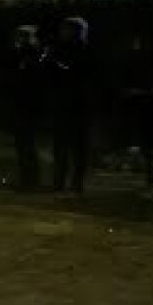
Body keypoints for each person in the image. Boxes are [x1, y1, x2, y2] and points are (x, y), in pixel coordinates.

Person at [45, 17, 95, 194]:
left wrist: (55, 63)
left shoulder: (85, 51)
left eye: (67, 30)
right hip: (63, 104)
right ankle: (59, 181)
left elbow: (76, 72)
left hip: (79, 105)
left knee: (78, 147)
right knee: (61, 146)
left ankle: (76, 182)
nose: (63, 33)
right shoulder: (61, 49)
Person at [10, 26, 43, 191]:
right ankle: (27, 179)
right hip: (22, 104)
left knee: (27, 144)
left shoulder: (32, 56)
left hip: (28, 105)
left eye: (22, 37)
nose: (18, 39)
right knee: (23, 144)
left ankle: (30, 179)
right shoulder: (22, 55)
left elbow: (29, 81)